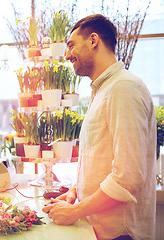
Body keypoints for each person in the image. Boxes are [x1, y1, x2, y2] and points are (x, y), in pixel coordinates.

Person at [42, 14, 156, 240]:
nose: (67, 54)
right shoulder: (103, 90)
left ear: (93, 40)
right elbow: (99, 158)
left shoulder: (123, 88)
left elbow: (128, 177)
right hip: (99, 229)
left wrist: (75, 211)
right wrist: (75, 192)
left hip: (120, 234)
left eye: (71, 45)